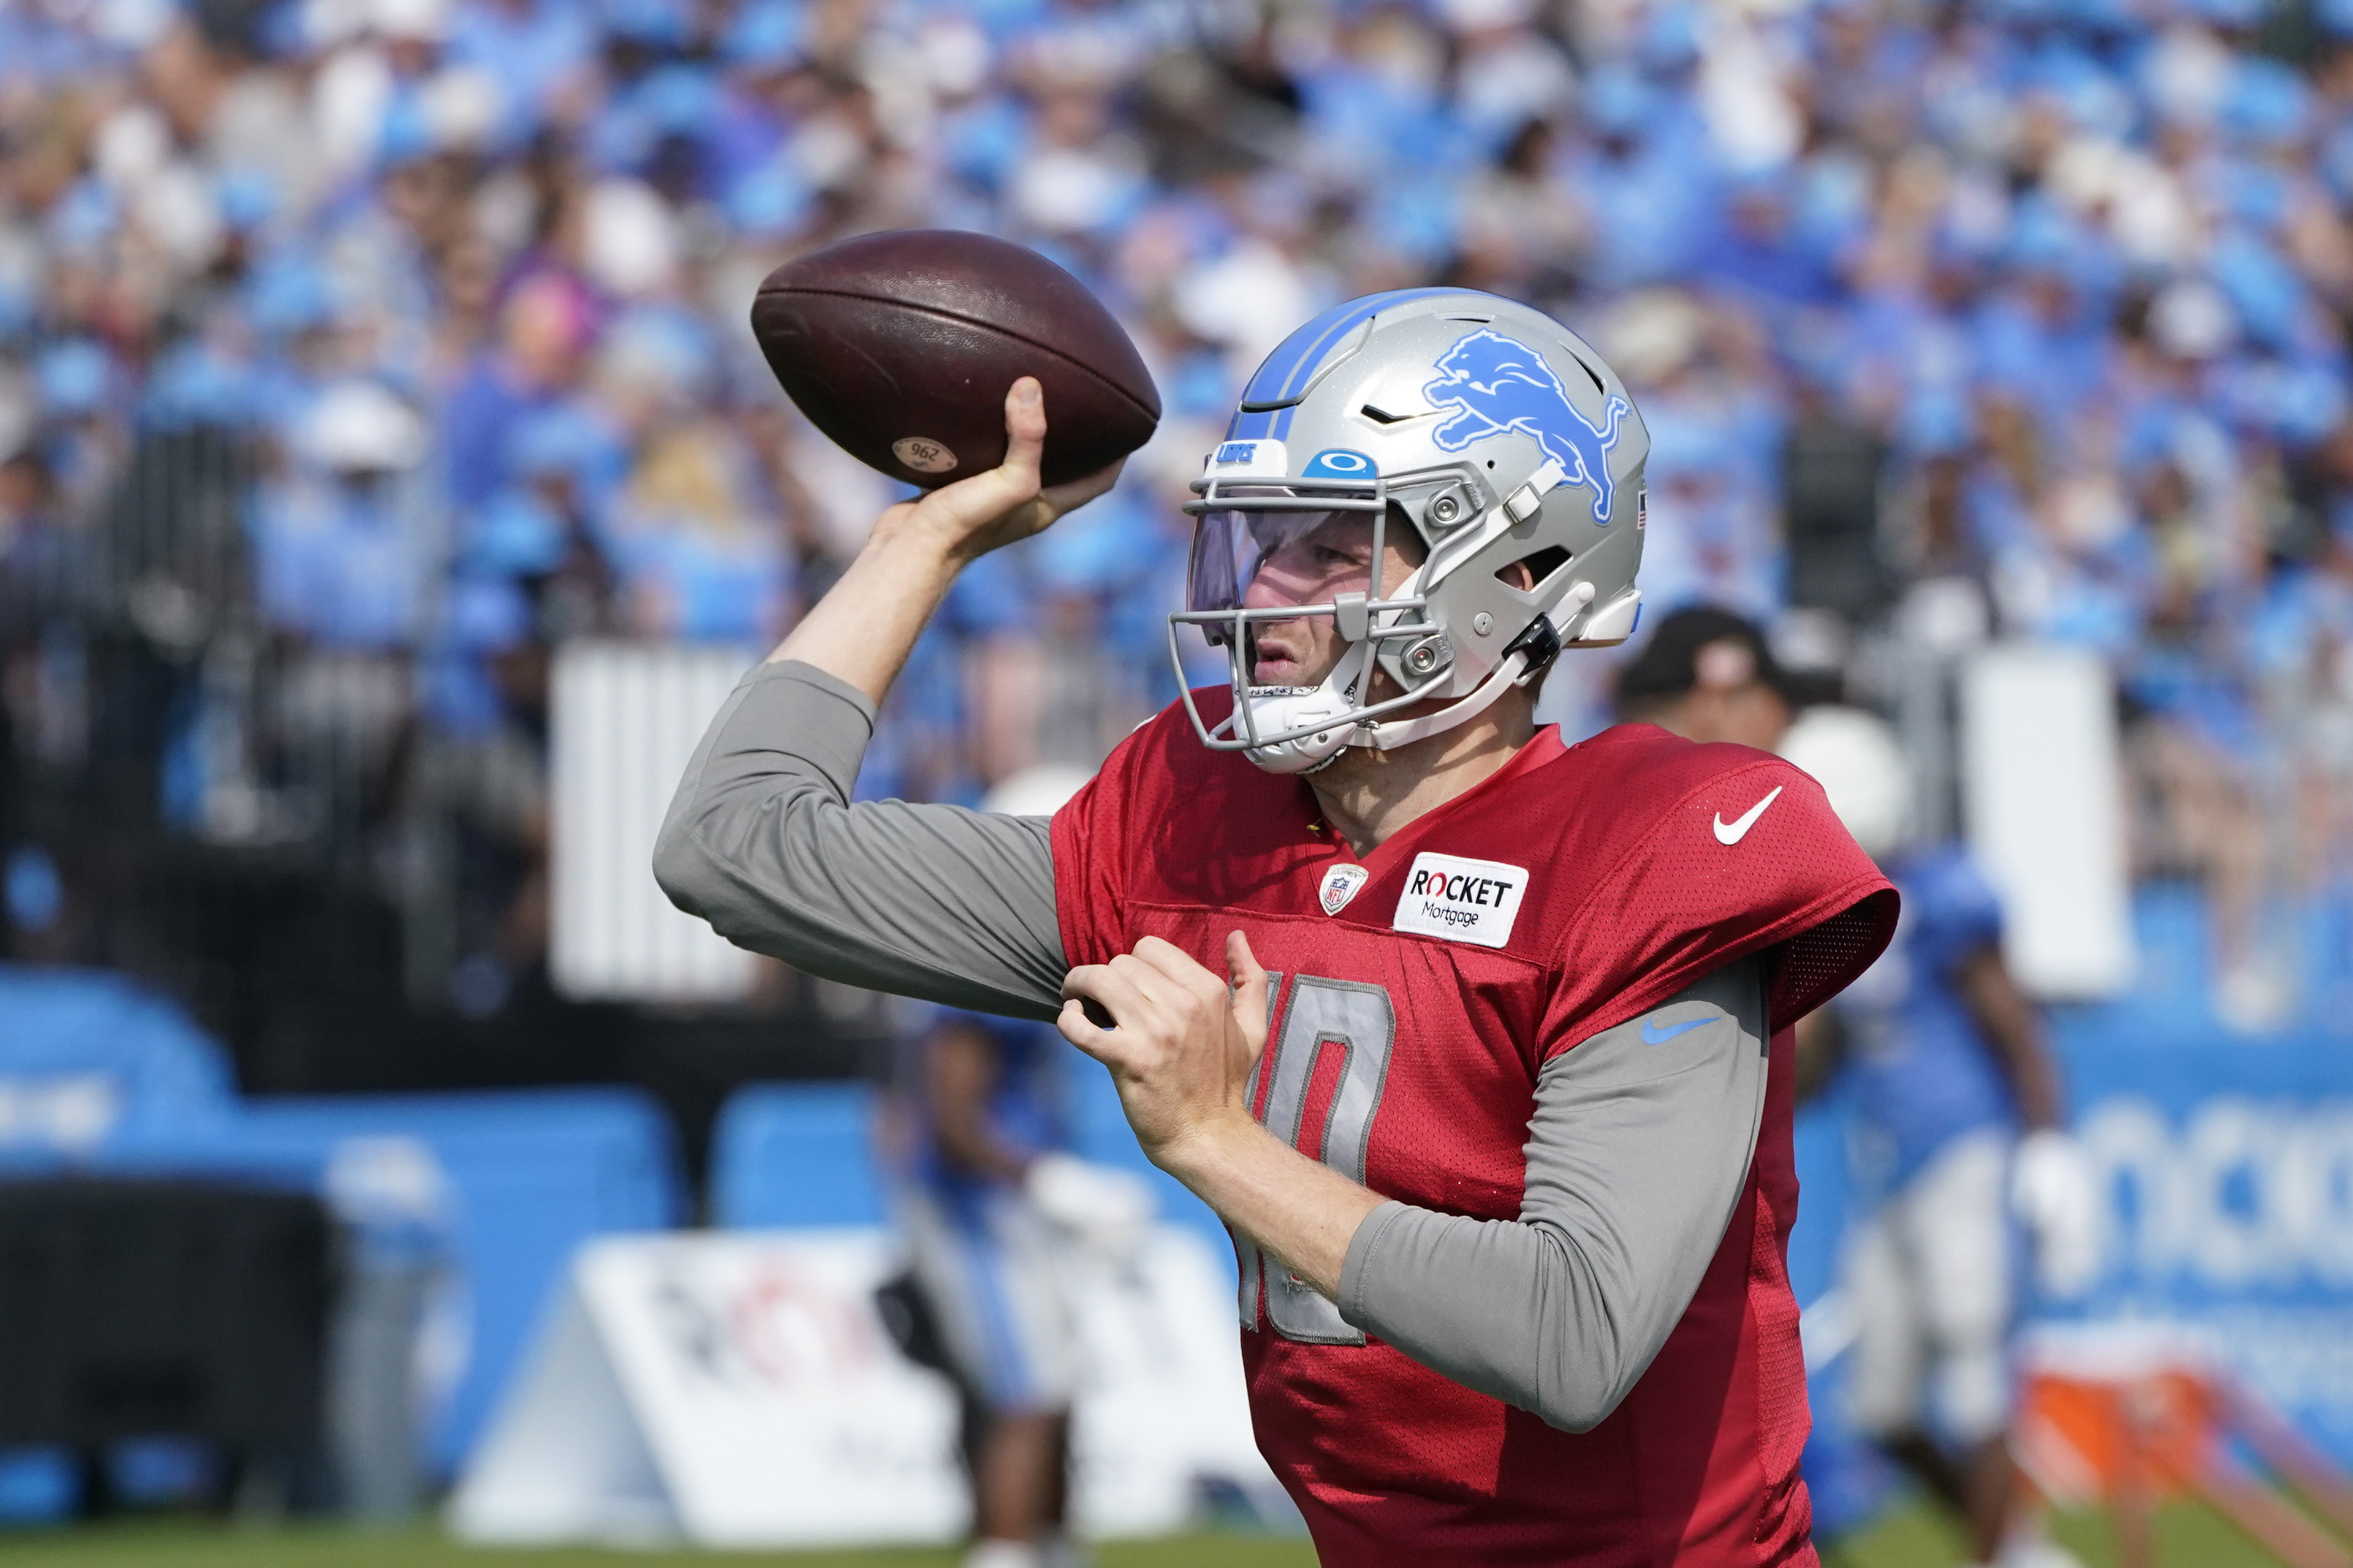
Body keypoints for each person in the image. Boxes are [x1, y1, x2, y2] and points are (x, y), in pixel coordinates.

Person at [657, 289, 1897, 1564]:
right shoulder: (1193, 826)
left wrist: (1211, 1140)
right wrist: (921, 544)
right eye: (1260, 538)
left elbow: (1569, 1334)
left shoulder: (1649, 842)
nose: (1264, 587)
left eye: (1331, 545)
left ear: (1514, 575)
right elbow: (734, 849)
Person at [1617, 608, 2095, 1568]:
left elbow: (2013, 1023)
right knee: (1879, 1403)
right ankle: (2019, 1545)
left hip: (1962, 1146)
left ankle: (2006, 1554)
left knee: (1968, 1377)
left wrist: (2046, 1142)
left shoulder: (1940, 889)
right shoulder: (1827, 900)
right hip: (1892, 1161)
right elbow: (1822, 1064)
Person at [884, 1004, 1148, 1568]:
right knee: (1026, 1389)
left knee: (1057, 1383)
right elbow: (953, 1114)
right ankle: (1003, 1552)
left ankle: (1051, 1545)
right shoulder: (973, 991)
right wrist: (1045, 1181)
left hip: (1013, 1212)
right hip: (978, 1213)